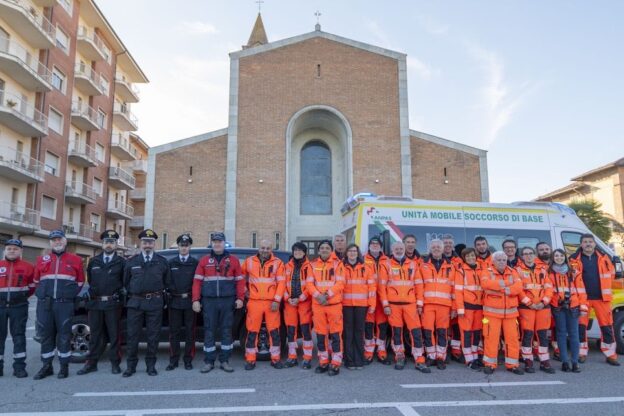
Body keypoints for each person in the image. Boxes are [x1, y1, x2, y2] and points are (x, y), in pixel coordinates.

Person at [33, 230, 85, 380]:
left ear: (65, 241)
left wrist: (68, 295)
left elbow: (80, 282)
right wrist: (42, 294)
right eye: (54, 240)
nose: (57, 242)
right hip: (45, 304)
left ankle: (64, 367)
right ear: (50, 243)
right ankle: (46, 366)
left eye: (60, 239)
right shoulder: (41, 259)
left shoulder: (75, 260)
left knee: (64, 336)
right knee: (46, 336)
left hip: (64, 305)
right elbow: (36, 281)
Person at [192, 232, 245, 373]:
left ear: (224, 243)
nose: (217, 244)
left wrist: (240, 298)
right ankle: (209, 361)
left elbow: (240, 281)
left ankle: (225, 360)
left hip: (228, 301)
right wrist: (195, 300)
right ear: (212, 243)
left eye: (219, 241)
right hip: (209, 302)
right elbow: (197, 282)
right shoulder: (204, 260)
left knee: (227, 331)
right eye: (214, 241)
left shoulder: (233, 260)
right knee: (209, 331)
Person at [123, 229, 171, 377]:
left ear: (154, 244)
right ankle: (131, 367)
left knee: (153, 336)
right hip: (135, 302)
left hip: (155, 303)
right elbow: (125, 282)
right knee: (132, 336)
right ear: (140, 243)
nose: (147, 245)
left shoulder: (162, 262)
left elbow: (167, 282)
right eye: (145, 242)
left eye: (150, 242)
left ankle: (151, 366)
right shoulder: (132, 262)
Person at [78, 230, 126, 376]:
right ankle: (91, 363)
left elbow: (125, 282)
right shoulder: (93, 261)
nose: (109, 245)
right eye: (106, 242)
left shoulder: (122, 262)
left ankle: (115, 363)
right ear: (102, 244)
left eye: (112, 242)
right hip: (95, 303)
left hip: (112, 304)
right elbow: (91, 281)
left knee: (114, 335)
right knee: (95, 335)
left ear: (116, 245)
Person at [378, 241, 430, 373]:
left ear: (404, 249)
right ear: (392, 250)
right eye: (397, 248)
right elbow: (381, 287)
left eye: (401, 248)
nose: (399, 250)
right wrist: (385, 305)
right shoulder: (386, 264)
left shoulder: (413, 264)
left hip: (410, 304)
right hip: (393, 305)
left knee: (416, 332)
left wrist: (419, 304)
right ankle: (399, 356)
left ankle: (419, 358)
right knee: (397, 333)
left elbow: (419, 285)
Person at [569, 234, 619, 366]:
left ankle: (610, 355)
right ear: (581, 244)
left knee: (607, 327)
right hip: (582, 299)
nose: (588, 244)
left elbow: (612, 274)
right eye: (585, 242)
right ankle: (581, 353)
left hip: (602, 298)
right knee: (581, 327)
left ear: (594, 244)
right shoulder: (573, 259)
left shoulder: (604, 257)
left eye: (590, 242)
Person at [241, 240, 285, 370]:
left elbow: (281, 283)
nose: (265, 250)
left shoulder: (278, 263)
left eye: (268, 248)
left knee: (274, 332)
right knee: (252, 332)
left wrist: (277, 300)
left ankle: (275, 359)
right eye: (262, 248)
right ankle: (250, 360)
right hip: (254, 302)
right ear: (258, 248)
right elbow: (240, 277)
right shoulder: (249, 261)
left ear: (271, 249)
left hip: (271, 303)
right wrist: (245, 291)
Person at [481, 251, 523, 375]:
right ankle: (490, 364)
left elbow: (519, 287)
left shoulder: (513, 271)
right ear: (493, 261)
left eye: (504, 260)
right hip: (492, 313)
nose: (502, 262)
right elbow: (485, 284)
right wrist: (507, 285)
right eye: (499, 260)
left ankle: (512, 365)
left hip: (510, 313)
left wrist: (502, 289)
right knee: (491, 339)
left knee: (513, 339)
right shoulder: (486, 271)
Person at [306, 240, 345, 376]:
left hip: (333, 305)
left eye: (327, 248)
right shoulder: (312, 264)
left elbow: (340, 283)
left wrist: (327, 295)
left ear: (331, 250)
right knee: (321, 335)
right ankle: (323, 361)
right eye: (322, 248)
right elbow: (309, 284)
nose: (324, 250)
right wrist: (318, 296)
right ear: (319, 250)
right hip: (318, 306)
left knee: (335, 335)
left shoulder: (337, 264)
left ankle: (335, 362)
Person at [516, 246, 555, 374]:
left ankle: (544, 362)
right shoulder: (518, 270)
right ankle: (528, 361)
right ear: (522, 256)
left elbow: (549, 287)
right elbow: (519, 290)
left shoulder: (543, 269)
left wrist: (544, 302)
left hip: (543, 307)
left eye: (531, 253)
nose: (528, 256)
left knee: (543, 336)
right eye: (525, 254)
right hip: (527, 307)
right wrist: (529, 303)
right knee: (527, 335)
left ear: (534, 255)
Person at [0, 239, 34, 378]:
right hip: (0, 306)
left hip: (19, 306)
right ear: (5, 251)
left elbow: (32, 287)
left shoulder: (28, 266)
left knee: (19, 337)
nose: (12, 251)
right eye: (9, 248)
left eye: (15, 248)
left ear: (20, 251)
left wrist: (20, 297)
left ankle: (19, 367)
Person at [549, 249, 587, 373]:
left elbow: (581, 291)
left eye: (561, 255)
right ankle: (565, 362)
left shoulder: (574, 272)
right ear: (552, 257)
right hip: (558, 307)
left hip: (573, 306)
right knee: (561, 334)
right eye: (556, 256)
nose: (558, 257)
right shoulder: (549, 273)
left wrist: (583, 307)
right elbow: (548, 291)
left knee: (574, 334)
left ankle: (575, 362)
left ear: (565, 257)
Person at [420, 239, 456, 370]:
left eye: (438, 247)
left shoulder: (451, 266)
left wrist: (454, 307)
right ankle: (431, 356)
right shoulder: (423, 265)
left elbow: (454, 288)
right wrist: (420, 304)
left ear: (443, 249)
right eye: (433, 247)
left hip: (444, 305)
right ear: (430, 249)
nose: (436, 249)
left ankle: (441, 357)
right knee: (428, 331)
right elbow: (419, 286)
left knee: (442, 332)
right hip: (428, 304)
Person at [166, 234, 199, 371]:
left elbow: (197, 282)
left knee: (190, 333)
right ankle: (173, 360)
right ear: (178, 247)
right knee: (174, 333)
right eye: (181, 245)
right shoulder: (171, 263)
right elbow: (167, 281)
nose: (184, 248)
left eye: (186, 245)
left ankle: (188, 360)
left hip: (189, 302)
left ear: (189, 247)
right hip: (174, 301)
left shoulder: (195, 262)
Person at [342, 244, 374, 370]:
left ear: (358, 253)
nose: (352, 253)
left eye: (354, 251)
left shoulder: (366, 268)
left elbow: (372, 288)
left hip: (361, 305)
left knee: (359, 332)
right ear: (346, 253)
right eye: (350, 251)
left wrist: (372, 304)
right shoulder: (341, 267)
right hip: (346, 305)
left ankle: (359, 360)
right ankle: (349, 360)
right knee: (348, 333)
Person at [283, 242, 314, 369]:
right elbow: (282, 284)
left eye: (300, 250)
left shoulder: (310, 266)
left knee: (306, 330)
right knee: (291, 331)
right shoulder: (287, 266)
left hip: (304, 303)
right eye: (295, 250)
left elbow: (311, 285)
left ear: (304, 252)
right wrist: (287, 297)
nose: (297, 252)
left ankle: (307, 358)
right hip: (290, 303)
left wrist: (301, 298)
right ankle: (292, 357)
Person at [454, 248, 483, 370]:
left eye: (472, 255)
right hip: (467, 307)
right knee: (466, 333)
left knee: (477, 333)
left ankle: (475, 356)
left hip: (480, 308)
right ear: (464, 258)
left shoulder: (484, 271)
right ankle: (469, 359)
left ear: (475, 256)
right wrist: (460, 309)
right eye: (467, 256)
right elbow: (458, 292)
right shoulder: (461, 272)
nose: (470, 258)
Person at [363, 236, 390, 365]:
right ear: (368, 246)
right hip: (368, 298)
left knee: (382, 326)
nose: (374, 245)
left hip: (382, 298)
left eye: (377, 244)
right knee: (368, 326)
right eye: (372, 243)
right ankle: (368, 351)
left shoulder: (388, 261)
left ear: (381, 246)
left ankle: (381, 350)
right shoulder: (362, 259)